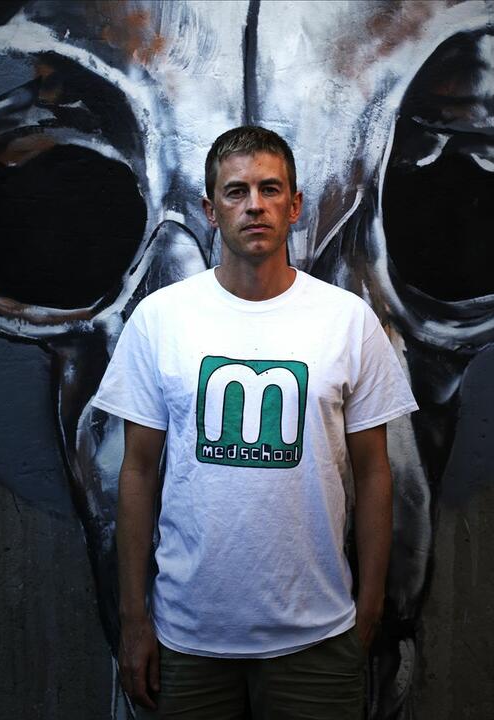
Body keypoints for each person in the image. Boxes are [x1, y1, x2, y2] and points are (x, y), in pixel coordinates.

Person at [92, 126, 418, 719]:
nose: (254, 206)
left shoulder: (347, 321)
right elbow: (137, 472)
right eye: (236, 191)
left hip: (317, 635)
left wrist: (369, 606)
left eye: (270, 189)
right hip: (187, 636)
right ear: (210, 210)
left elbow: (375, 473)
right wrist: (134, 619)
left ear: (294, 206)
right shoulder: (161, 320)